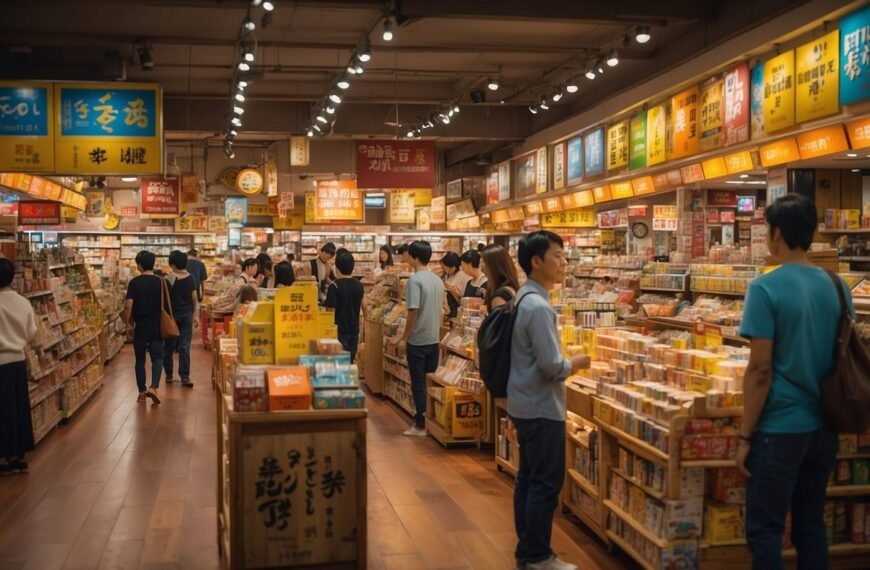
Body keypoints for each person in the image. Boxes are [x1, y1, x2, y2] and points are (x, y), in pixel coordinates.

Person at [737, 194, 850, 570]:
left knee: (766, 530)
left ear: (777, 233)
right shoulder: (837, 286)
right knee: (811, 525)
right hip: (825, 426)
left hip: (780, 427)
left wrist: (744, 437)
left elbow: (760, 369)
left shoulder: (765, 288)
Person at [509, 231, 590, 570]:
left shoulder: (522, 298)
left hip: (523, 402)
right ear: (536, 261)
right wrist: (577, 363)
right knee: (544, 483)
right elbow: (551, 367)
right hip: (542, 407)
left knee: (528, 478)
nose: (563, 262)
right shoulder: (539, 307)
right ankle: (538, 555)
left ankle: (528, 549)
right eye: (557, 255)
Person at [393, 241, 444, 437]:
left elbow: (413, 310)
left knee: (419, 384)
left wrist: (404, 337)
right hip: (434, 339)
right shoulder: (437, 280)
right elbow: (441, 311)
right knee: (430, 383)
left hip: (418, 340)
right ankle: (431, 422)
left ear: (414, 257)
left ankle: (420, 425)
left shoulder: (415, 280)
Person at [0, 258, 37, 475]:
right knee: (17, 409)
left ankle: (2, 458)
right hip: (17, 361)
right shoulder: (22, 302)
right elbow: (32, 332)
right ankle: (18, 457)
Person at [124, 251, 165, 405]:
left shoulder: (134, 283)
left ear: (139, 265)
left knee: (140, 360)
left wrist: (128, 324)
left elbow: (128, 305)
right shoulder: (162, 282)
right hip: (157, 325)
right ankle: (153, 387)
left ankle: (141, 392)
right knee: (158, 358)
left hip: (140, 326)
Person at [163, 251, 198, 388]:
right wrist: (195, 316)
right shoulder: (191, 278)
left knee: (169, 346)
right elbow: (194, 299)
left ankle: (169, 374)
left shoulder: (168, 278)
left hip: (171, 317)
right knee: (185, 346)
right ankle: (185, 376)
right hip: (186, 316)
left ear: (172, 264)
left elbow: (164, 299)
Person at [324, 250, 365, 362]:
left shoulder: (334, 286)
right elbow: (364, 306)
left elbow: (330, 312)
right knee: (350, 362)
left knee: (339, 363)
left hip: (339, 332)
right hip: (354, 331)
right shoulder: (359, 284)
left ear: (337, 268)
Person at [481, 244, 520, 311]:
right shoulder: (508, 287)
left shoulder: (500, 296)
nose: (481, 265)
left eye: (484, 261)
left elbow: (497, 317)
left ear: (493, 265)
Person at [440, 252, 471, 319]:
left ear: (453, 267)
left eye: (444, 267)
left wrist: (453, 291)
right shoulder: (449, 274)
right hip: (449, 311)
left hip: (456, 313)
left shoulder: (462, 277)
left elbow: (463, 303)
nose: (443, 269)